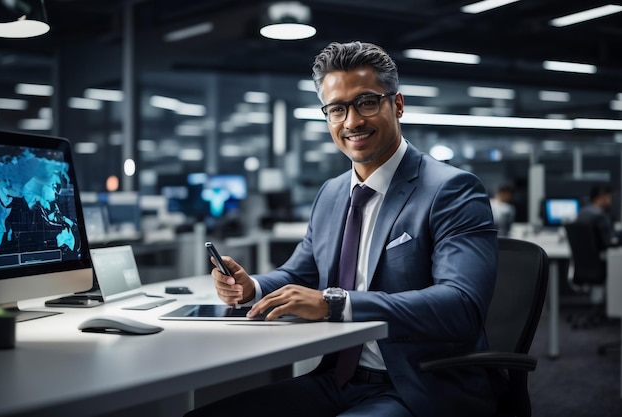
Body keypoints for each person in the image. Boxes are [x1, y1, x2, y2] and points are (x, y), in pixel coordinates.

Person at [185, 41, 503, 417]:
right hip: (336, 378)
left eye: (366, 102)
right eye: (337, 109)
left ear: (397, 105)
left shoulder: (450, 189)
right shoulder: (333, 193)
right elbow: (299, 273)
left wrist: (336, 303)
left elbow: (461, 306)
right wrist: (252, 287)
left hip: (420, 385)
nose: (352, 121)